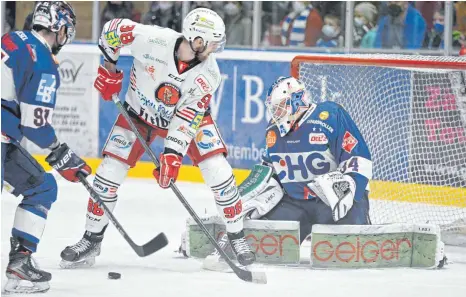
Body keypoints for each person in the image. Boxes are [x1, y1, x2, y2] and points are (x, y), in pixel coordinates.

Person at [60, 8, 256, 269]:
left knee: (219, 171)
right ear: (197, 40)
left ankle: (236, 237)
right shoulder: (152, 39)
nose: (216, 50)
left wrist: (172, 155)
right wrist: (109, 69)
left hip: (185, 121)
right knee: (108, 174)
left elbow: (186, 118)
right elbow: (111, 31)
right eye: (213, 43)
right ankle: (91, 239)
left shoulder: (209, 75)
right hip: (138, 116)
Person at [1, 1, 91, 293]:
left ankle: (21, 265)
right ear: (59, 28)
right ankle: (20, 266)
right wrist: (60, 151)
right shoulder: (43, 61)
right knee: (42, 189)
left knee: (42, 186)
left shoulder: (12, 38)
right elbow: (35, 126)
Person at [243, 76, 372, 243]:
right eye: (274, 109)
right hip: (296, 203)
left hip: (334, 201)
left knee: (347, 248)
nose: (276, 113)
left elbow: (358, 156)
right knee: (261, 241)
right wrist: (255, 197)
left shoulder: (329, 116)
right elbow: (271, 170)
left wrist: (348, 185)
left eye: (280, 107)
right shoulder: (273, 130)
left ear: (296, 102)